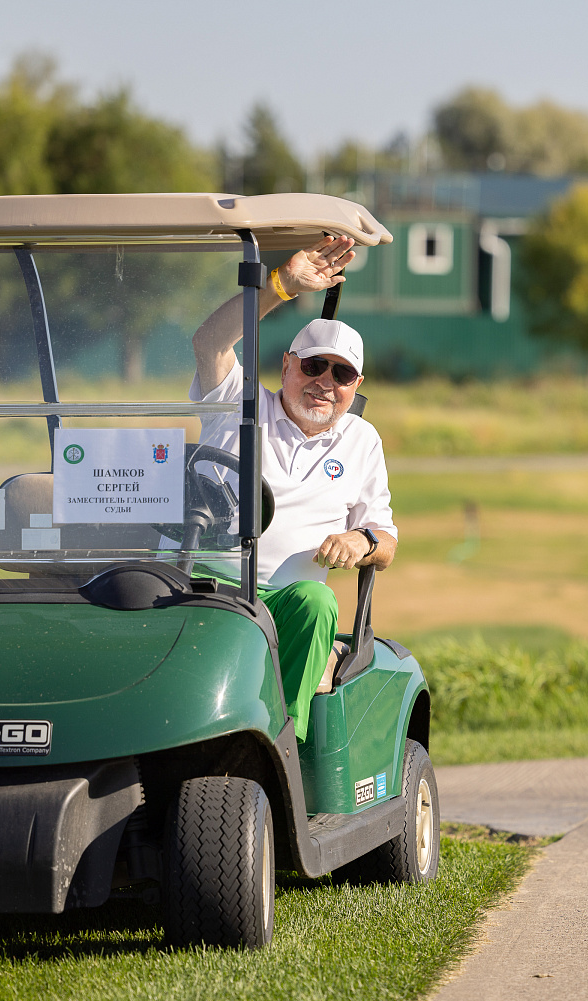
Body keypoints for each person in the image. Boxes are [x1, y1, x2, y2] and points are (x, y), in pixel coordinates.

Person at [190, 235, 397, 742]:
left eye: (342, 373)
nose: (325, 381)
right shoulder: (238, 400)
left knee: (318, 602)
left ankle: (281, 747)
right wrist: (280, 285)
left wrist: (361, 541)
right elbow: (209, 342)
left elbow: (385, 539)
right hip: (207, 584)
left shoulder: (362, 440)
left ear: (356, 384)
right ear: (286, 364)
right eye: (313, 365)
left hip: (287, 603)